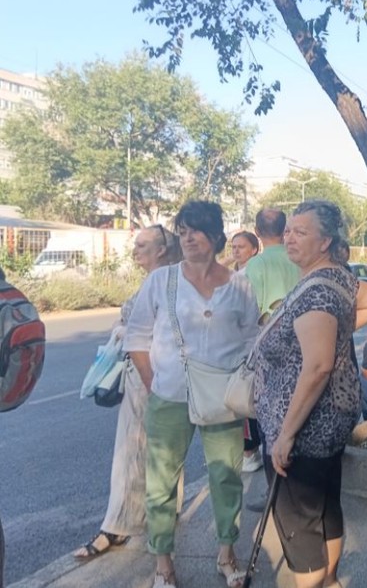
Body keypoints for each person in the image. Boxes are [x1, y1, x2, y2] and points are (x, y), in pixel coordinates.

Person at [124, 201, 260, 588]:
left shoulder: (239, 284)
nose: (187, 237)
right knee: (162, 482)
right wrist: (154, 385)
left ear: (216, 236)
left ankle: (227, 553)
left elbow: (251, 338)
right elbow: (137, 336)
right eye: (182, 230)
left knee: (226, 476)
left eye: (196, 230)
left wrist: (240, 381)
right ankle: (163, 563)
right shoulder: (161, 280)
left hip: (222, 398)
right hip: (169, 396)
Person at [253, 200, 362, 588]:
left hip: (304, 430)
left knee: (301, 529)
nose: (289, 237)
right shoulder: (335, 277)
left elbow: (318, 367)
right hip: (325, 424)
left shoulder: (318, 289)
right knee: (324, 511)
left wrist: (285, 434)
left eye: (301, 232)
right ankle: (330, 582)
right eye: (288, 230)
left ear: (325, 241)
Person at [74, 225, 183, 560]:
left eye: (142, 245)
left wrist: (123, 330)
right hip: (159, 374)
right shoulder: (165, 278)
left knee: (130, 452)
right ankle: (169, 506)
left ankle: (117, 527)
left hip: (147, 373)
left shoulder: (163, 280)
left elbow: (154, 329)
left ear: (162, 249)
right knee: (162, 446)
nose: (135, 251)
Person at [242, 208, 301, 474]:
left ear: (257, 232)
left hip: (270, 350)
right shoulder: (298, 258)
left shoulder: (256, 264)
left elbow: (248, 311)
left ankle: (275, 486)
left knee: (270, 417)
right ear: (284, 230)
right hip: (303, 344)